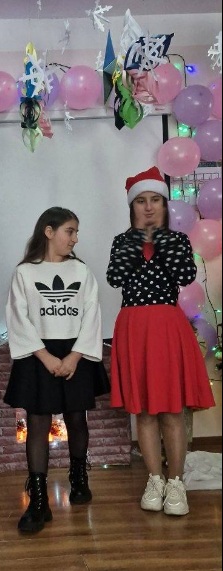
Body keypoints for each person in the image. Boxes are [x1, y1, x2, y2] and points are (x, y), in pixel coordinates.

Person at [106, 166, 215, 517]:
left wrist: (161, 239)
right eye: (141, 201)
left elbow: (184, 275)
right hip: (134, 327)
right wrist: (140, 239)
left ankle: (176, 482)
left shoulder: (177, 240)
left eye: (156, 200)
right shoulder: (123, 241)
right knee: (145, 411)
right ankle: (155, 480)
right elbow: (115, 277)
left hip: (167, 327)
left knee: (171, 409)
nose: (149, 207)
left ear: (165, 206)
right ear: (132, 206)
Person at [4, 207, 110, 533]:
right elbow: (18, 317)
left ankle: (79, 479)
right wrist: (46, 357)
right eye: (70, 231)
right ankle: (39, 502)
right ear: (49, 232)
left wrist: (75, 357)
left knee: (77, 417)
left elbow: (92, 314)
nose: (75, 238)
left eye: (76, 232)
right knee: (38, 422)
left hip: (75, 351)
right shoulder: (25, 273)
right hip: (39, 355)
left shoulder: (81, 271)